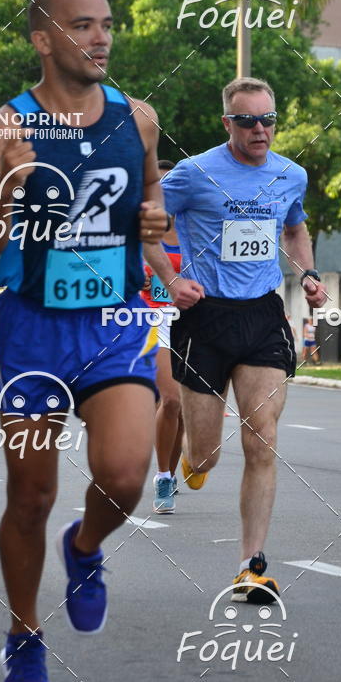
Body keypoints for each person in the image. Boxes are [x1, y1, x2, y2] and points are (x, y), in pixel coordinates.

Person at [0, 0, 170, 682]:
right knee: (31, 495)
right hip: (33, 328)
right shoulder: (4, 126)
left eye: (107, 24)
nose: (101, 38)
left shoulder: (137, 118)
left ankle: (84, 549)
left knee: (125, 474)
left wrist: (155, 222)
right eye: (82, 26)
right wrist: (7, 187)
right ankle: (24, 637)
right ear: (43, 40)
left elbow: (152, 197)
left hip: (114, 321)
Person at [144, 76, 327, 603]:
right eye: (248, 121)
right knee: (205, 458)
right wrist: (171, 280)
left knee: (261, 437)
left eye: (268, 119)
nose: (260, 129)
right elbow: (144, 226)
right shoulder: (193, 173)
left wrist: (309, 273)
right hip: (205, 318)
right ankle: (189, 459)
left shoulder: (291, 174)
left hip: (263, 316)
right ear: (228, 123)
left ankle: (251, 566)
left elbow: (294, 228)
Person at [141, 159, 194, 514]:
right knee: (171, 400)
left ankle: (171, 473)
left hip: (191, 323)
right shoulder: (141, 234)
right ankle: (161, 476)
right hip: (151, 320)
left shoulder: (195, 230)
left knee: (186, 411)